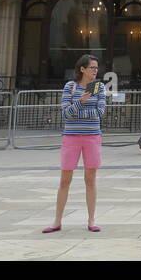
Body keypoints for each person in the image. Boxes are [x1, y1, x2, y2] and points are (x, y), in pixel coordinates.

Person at [45, 54, 107, 234]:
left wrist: (77, 111)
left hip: (92, 137)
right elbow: (64, 113)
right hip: (71, 137)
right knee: (65, 180)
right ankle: (57, 221)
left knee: (90, 179)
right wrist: (80, 103)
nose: (95, 71)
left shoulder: (98, 87)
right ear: (82, 69)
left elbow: (100, 112)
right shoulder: (70, 87)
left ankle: (91, 220)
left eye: (97, 68)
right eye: (92, 68)